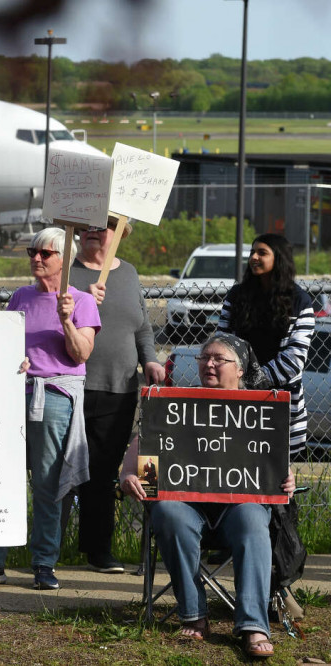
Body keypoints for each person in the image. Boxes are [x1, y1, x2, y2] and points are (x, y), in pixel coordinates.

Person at [121, 333, 295, 660]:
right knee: (168, 511)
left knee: (252, 516)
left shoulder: (261, 410)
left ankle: (252, 625)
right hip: (187, 506)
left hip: (238, 508)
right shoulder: (175, 403)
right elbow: (144, 452)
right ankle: (194, 614)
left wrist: (285, 479)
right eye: (204, 358)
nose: (209, 364)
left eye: (219, 359)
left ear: (241, 370)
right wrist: (130, 475)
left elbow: (274, 466)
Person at [0, 228, 100, 591]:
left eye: (45, 253)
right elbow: (5, 346)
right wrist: (14, 361)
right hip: (15, 394)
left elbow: (81, 353)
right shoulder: (21, 297)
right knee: (2, 479)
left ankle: (44, 563)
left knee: (47, 485)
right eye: (33, 251)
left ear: (65, 259)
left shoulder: (81, 301)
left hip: (55, 396)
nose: (36, 258)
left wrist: (66, 319)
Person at [43, 218, 163, 578]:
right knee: (57, 473)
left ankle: (98, 550)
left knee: (103, 474)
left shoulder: (128, 273)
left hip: (119, 388)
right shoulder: (67, 272)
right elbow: (48, 318)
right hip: (70, 386)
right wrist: (81, 301)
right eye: (88, 226)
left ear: (119, 234)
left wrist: (151, 360)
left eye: (104, 226)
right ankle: (46, 555)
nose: (94, 231)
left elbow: (140, 326)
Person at [218, 233, 314, 459]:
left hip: (280, 403)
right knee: (235, 465)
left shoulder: (300, 301)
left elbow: (295, 357)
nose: (254, 257)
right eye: (252, 252)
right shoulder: (237, 296)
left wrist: (252, 382)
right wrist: (237, 384)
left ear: (279, 258)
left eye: (262, 252)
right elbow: (222, 343)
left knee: (276, 478)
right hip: (238, 402)